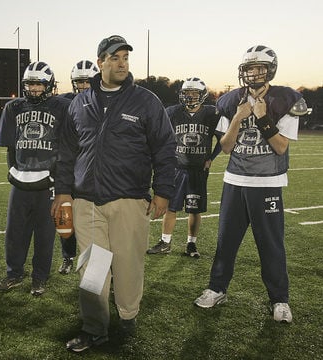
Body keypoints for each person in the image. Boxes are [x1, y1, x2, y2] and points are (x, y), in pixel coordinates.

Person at [52, 35, 176, 352]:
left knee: (128, 265)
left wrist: (162, 191)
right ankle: (94, 327)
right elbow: (66, 152)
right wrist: (63, 192)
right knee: (92, 268)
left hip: (130, 199)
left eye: (125, 58)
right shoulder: (79, 103)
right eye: (115, 57)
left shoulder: (146, 101)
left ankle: (128, 315)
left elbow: (164, 148)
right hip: (86, 201)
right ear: (100, 63)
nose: (122, 63)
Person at [193, 45, 307, 324]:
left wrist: (262, 117)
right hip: (235, 180)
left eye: (259, 68)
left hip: (268, 182)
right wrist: (238, 118)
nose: (253, 73)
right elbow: (227, 147)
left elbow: (280, 147)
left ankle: (279, 299)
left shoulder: (286, 99)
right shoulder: (231, 101)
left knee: (270, 244)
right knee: (226, 241)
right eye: (249, 68)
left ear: (271, 70)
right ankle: (217, 288)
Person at [0, 61, 70, 296]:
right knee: (15, 231)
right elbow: (9, 146)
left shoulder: (62, 107)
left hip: (48, 181)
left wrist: (58, 179)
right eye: (30, 84)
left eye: (39, 84)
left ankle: (40, 278)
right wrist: (13, 172)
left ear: (49, 85)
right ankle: (13, 274)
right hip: (21, 179)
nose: (34, 88)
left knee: (45, 234)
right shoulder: (14, 107)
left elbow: (68, 147)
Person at [146, 77, 221, 258]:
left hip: (198, 170)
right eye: (187, 93)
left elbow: (222, 138)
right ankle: (165, 242)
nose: (190, 97)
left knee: (194, 209)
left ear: (202, 95)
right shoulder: (172, 112)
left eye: (194, 93)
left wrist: (211, 157)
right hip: (177, 168)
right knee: (171, 207)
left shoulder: (211, 114)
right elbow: (161, 135)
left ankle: (191, 244)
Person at [56, 60, 99, 274]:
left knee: (94, 223)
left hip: (92, 172)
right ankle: (68, 257)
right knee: (65, 219)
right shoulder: (65, 102)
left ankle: (97, 266)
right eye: (79, 81)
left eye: (86, 81)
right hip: (70, 169)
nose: (82, 85)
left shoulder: (103, 102)